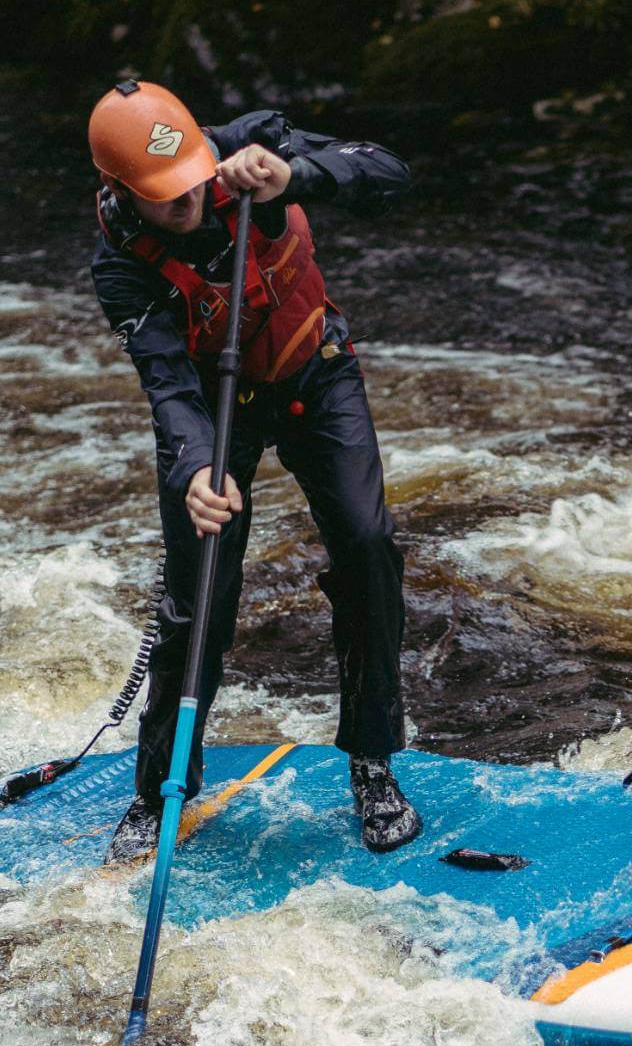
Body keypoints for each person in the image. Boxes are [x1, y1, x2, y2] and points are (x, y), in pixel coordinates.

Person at [88, 79, 421, 859]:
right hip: (214, 407)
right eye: (168, 199)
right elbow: (166, 383)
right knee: (195, 593)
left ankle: (371, 759)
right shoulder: (120, 268)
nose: (193, 202)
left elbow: (388, 172)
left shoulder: (243, 147)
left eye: (196, 184)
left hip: (315, 372)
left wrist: (294, 174)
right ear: (121, 192)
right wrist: (197, 469)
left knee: (368, 546)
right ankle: (159, 787)